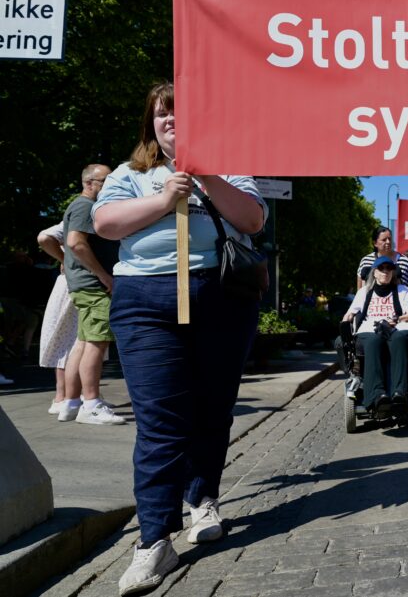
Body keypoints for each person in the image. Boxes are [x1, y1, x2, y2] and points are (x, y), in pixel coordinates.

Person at [93, 82, 268, 594]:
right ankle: (153, 541)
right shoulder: (130, 175)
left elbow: (252, 219)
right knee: (160, 422)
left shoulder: (228, 168)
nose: (172, 120)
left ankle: (203, 497)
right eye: (163, 114)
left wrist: (207, 174)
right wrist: (165, 198)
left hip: (220, 296)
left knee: (213, 409)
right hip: (146, 302)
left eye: (181, 113)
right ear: (151, 124)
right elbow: (105, 224)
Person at [62, 163, 126, 426]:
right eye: (105, 181)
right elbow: (76, 242)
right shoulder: (85, 206)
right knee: (96, 344)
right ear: (89, 183)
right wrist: (104, 275)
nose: (110, 185)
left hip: (84, 284)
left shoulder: (80, 206)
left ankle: (72, 402)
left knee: (83, 343)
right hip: (93, 286)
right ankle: (91, 404)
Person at [343, 255, 408, 415]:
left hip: (395, 327)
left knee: (398, 339)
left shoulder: (401, 290)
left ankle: (400, 394)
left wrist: (397, 319)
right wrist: (346, 320)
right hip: (370, 329)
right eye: (381, 269)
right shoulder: (364, 292)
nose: (385, 272)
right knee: (374, 341)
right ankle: (376, 396)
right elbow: (350, 313)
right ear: (374, 273)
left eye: (389, 268)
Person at [36, 222, 88, 415]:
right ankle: (63, 396)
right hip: (75, 284)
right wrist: (66, 259)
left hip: (74, 282)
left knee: (74, 339)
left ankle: (68, 395)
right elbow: (44, 237)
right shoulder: (81, 214)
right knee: (73, 340)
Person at [356, 227, 408, 312]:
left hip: (397, 316)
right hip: (369, 313)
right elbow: (360, 288)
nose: (388, 242)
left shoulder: (402, 261)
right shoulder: (366, 261)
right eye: (384, 240)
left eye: (390, 239)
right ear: (375, 243)